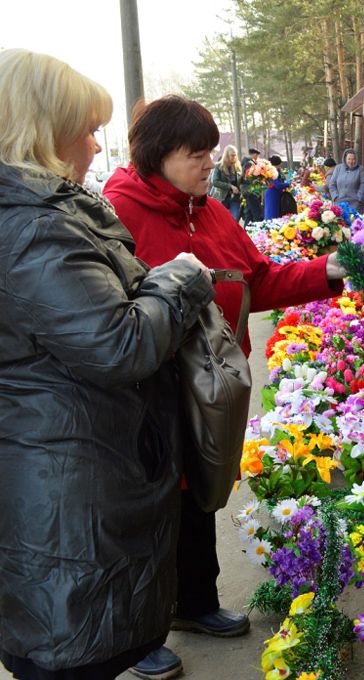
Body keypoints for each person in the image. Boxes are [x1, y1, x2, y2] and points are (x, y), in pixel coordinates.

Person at [103, 95, 347, 680]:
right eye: (197, 154)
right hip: (148, 387)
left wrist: (327, 271)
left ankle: (195, 603)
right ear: (157, 154)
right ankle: (139, 636)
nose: (210, 164)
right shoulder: (118, 213)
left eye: (212, 153)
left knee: (200, 487)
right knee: (153, 500)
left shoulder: (209, 212)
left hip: (210, 383)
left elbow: (257, 281)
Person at [0, 50, 215, 680]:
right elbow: (119, 344)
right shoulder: (34, 229)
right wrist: (178, 280)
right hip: (67, 481)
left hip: (78, 464)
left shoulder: (49, 214)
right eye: (87, 128)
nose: (97, 146)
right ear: (43, 128)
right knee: (68, 652)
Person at [209, 144, 242, 222]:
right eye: (232, 155)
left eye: (235, 155)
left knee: (234, 220)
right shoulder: (218, 166)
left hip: (235, 198)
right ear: (227, 155)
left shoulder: (237, 166)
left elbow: (241, 181)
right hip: (221, 197)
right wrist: (230, 186)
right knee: (221, 221)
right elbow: (215, 181)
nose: (234, 157)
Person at [263, 155, 292, 220]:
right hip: (273, 195)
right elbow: (278, 185)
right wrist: (288, 184)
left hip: (275, 194)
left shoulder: (274, 170)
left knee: (275, 214)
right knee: (272, 215)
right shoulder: (272, 171)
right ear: (278, 163)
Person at [239, 147, 263, 224]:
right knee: (256, 213)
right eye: (256, 155)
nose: (257, 157)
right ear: (253, 154)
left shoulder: (245, 162)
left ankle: (246, 230)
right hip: (251, 190)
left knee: (249, 213)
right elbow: (247, 177)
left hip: (247, 190)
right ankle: (257, 230)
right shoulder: (249, 163)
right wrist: (257, 180)